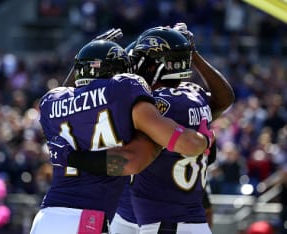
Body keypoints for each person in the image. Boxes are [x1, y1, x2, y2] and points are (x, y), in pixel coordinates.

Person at [30, 39, 213, 234]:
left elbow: (77, 103)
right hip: (87, 219)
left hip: (45, 217)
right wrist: (205, 139)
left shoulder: (51, 100)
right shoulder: (123, 90)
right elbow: (178, 147)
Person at [109, 24, 234, 234]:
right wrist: (191, 54)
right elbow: (224, 99)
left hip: (161, 220)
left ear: (151, 66)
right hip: (173, 214)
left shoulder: (154, 105)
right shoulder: (194, 97)